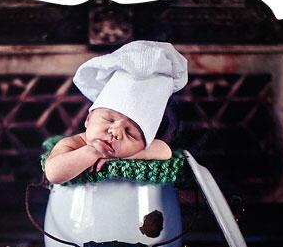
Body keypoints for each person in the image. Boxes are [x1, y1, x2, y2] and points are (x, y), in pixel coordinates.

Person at [44, 40, 188, 184]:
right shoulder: (73, 143)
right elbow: (53, 174)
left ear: (143, 145)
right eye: (109, 120)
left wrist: (124, 155)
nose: (116, 132)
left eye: (130, 133)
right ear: (88, 119)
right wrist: (92, 152)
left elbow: (164, 150)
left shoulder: (137, 149)